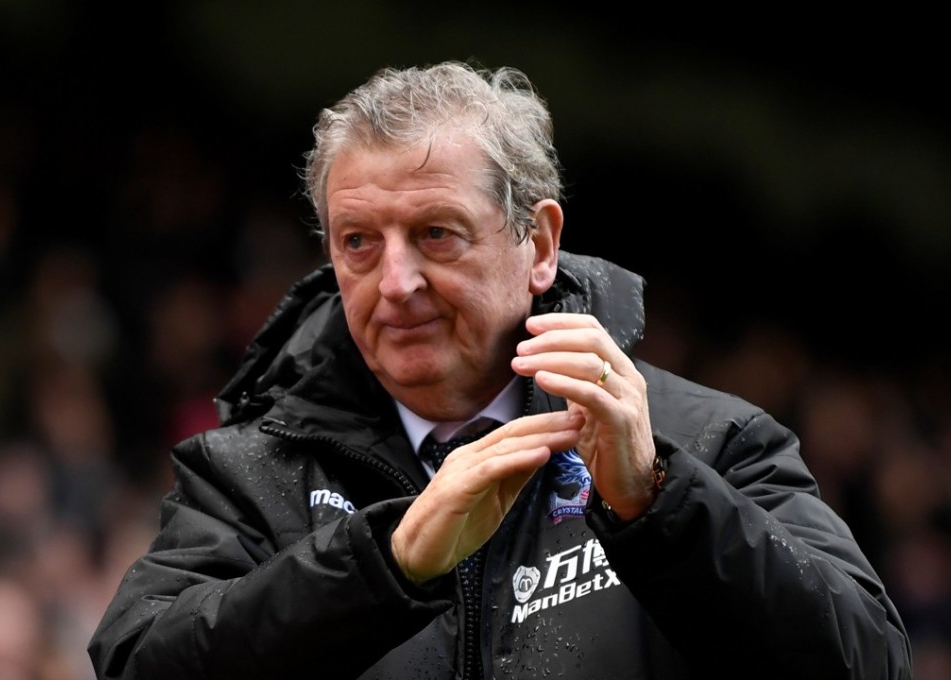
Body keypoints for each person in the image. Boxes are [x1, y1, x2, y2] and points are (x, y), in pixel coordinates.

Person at [88, 61, 913, 679]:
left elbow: (870, 661)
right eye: (359, 242)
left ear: (539, 244)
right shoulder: (250, 474)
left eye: (436, 234)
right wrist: (384, 564)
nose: (396, 282)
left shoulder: (705, 440)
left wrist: (659, 505)